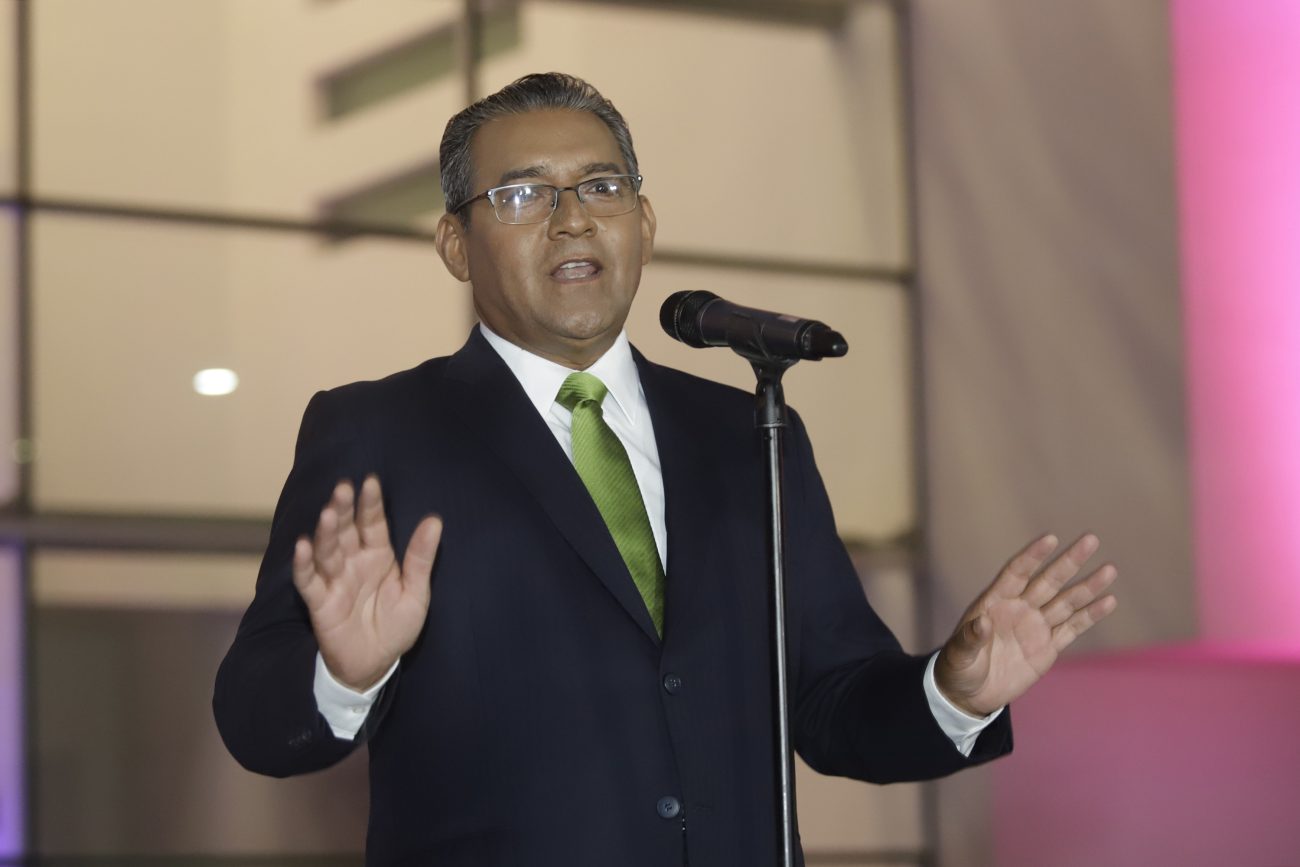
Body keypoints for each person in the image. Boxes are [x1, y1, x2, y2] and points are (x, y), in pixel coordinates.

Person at [213, 72, 1117, 867]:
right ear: (456, 244)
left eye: (602, 186)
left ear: (643, 225)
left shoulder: (750, 434)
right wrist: (344, 674)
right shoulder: (381, 431)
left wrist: (952, 692)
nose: (573, 217)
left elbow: (834, 701)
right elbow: (254, 717)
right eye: (524, 194)